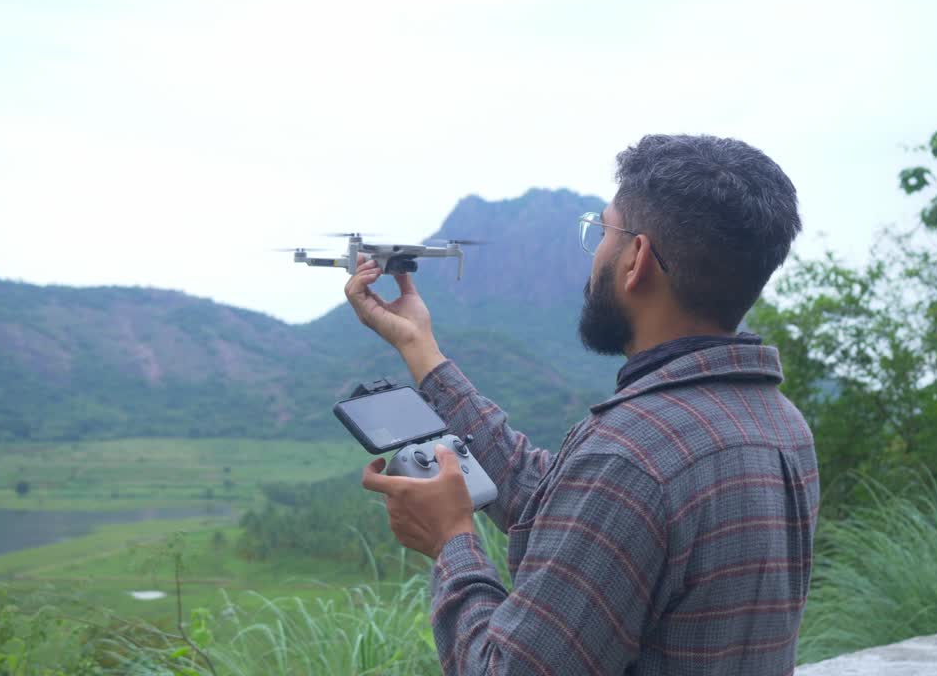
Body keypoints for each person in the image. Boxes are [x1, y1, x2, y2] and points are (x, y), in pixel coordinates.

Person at [347, 134, 818, 675]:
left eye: (603, 231)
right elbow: (562, 501)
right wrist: (420, 348)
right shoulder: (779, 424)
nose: (596, 251)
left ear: (635, 258)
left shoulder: (630, 457)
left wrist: (451, 541)